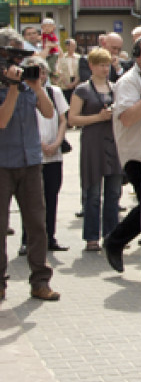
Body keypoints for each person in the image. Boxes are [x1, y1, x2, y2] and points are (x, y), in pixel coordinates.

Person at [0, 29, 59, 303]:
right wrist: (12, 88)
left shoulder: (28, 84)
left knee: (37, 224)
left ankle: (40, 281)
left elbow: (49, 113)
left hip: (31, 163)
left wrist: (36, 88)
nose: (17, 64)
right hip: (2, 164)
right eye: (11, 57)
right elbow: (2, 121)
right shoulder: (7, 87)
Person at [103, 34, 141, 273]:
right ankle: (115, 241)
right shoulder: (128, 82)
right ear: (137, 55)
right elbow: (127, 118)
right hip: (138, 154)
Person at [68, 48, 121, 252]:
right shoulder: (82, 90)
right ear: (91, 66)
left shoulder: (115, 87)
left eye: (107, 65)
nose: (104, 69)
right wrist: (98, 117)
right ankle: (91, 236)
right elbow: (73, 118)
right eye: (100, 65)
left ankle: (112, 235)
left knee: (114, 193)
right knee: (93, 193)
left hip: (113, 143)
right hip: (93, 143)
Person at [19, 57, 69, 253]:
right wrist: (38, 144)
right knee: (29, 200)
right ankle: (27, 240)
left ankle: (50, 237)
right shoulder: (21, 92)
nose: (39, 76)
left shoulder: (53, 92)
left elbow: (63, 118)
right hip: (32, 154)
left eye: (42, 72)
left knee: (51, 196)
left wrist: (57, 142)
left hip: (53, 155)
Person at [55, 38, 81, 103]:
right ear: (67, 46)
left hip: (76, 82)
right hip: (65, 83)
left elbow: (80, 71)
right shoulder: (62, 57)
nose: (73, 47)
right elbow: (59, 71)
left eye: (74, 45)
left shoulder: (79, 58)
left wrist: (75, 82)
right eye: (71, 46)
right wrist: (66, 83)